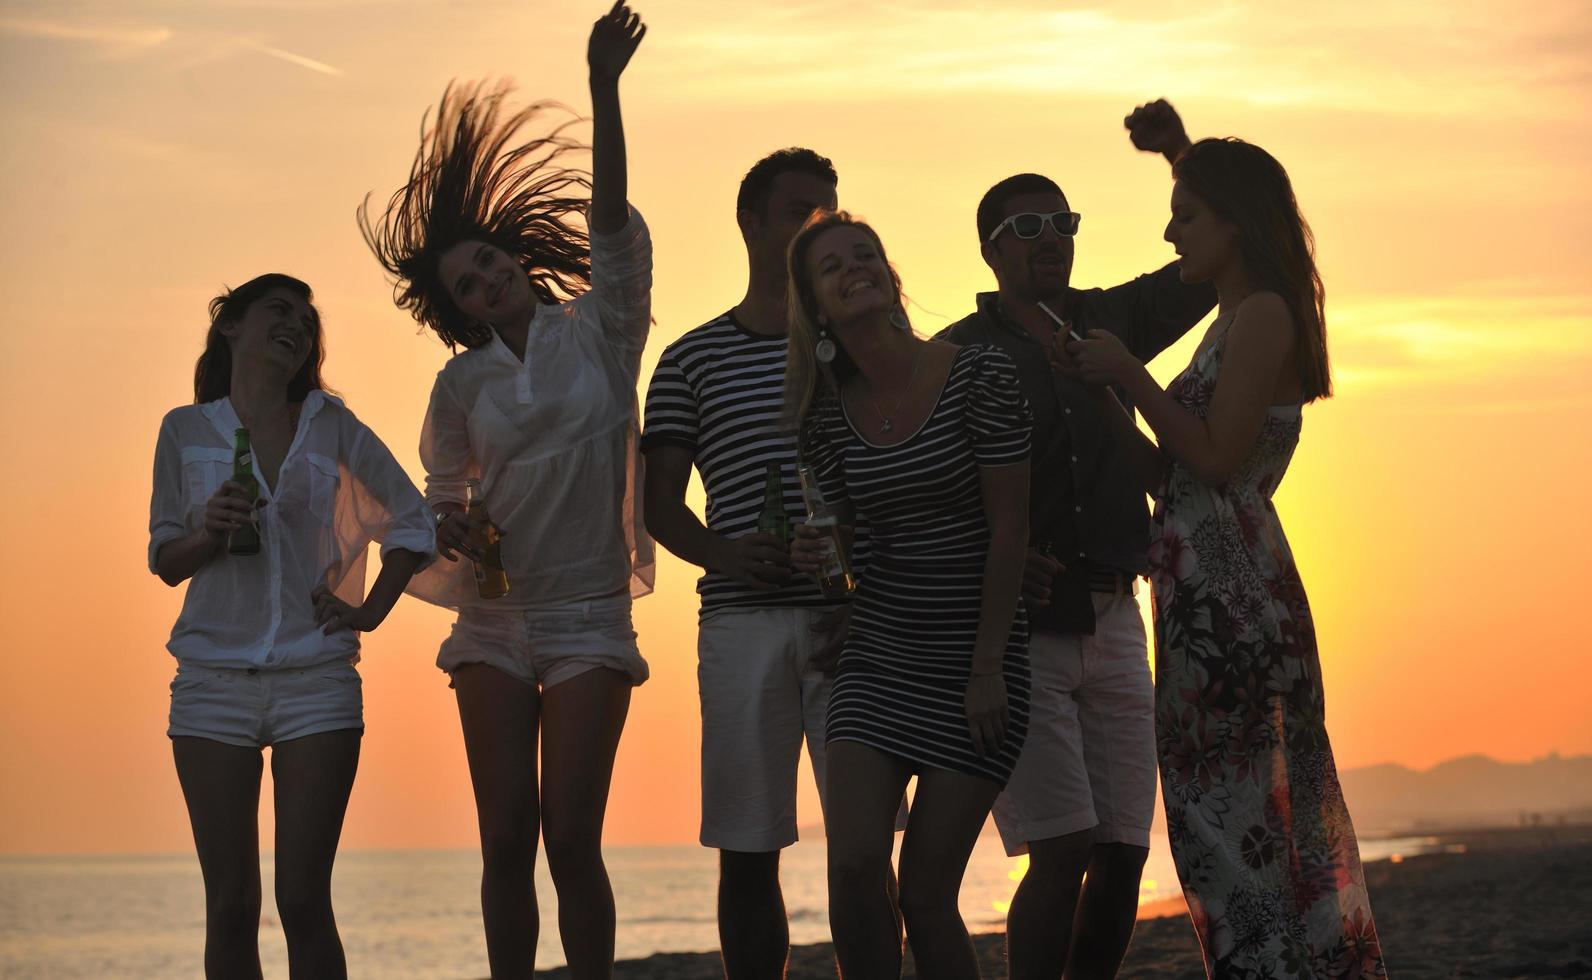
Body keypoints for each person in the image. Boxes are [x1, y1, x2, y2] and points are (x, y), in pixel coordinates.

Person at [357, 4, 651, 975]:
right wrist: (450, 517)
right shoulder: (461, 384)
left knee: (571, 838)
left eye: (488, 262)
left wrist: (604, 89)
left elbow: (608, 225)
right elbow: (443, 487)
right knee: (503, 839)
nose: (486, 281)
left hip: (588, 613)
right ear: (459, 314)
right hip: (491, 616)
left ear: (513, 258)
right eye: (469, 287)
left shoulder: (602, 327)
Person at [1068, 137, 1387, 977]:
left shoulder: (1267, 315)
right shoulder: (1228, 321)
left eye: (1185, 216)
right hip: (1195, 590)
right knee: (1214, 818)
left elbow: (1214, 459)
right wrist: (1103, 395)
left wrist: (1131, 376)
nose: (1171, 236)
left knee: (1243, 815)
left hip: (1235, 596)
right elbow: (1169, 477)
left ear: (1234, 224)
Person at [934, 98, 1216, 978]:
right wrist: (989, 563)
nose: (1049, 236)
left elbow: (1213, 263)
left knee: (1126, 849)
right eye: (1027, 225)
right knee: (1058, 848)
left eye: (1062, 222)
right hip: (1020, 634)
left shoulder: (1111, 318)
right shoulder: (954, 355)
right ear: (991, 248)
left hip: (1117, 613)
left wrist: (1179, 156)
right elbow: (923, 490)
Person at [148, 273, 435, 979]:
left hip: (318, 678)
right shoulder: (186, 429)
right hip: (213, 682)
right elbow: (164, 558)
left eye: (307, 322)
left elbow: (412, 518)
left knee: (304, 900)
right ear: (231, 326)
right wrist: (208, 533)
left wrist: (368, 611)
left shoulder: (331, 425)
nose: (298, 327)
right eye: (279, 312)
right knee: (231, 907)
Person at [786, 210, 1031, 978]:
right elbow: (843, 556)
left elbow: (1010, 529)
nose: (853, 267)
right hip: (879, 659)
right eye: (832, 267)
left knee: (926, 898)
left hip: (976, 667)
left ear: (891, 278)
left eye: (865, 254)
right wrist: (817, 560)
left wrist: (988, 665)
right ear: (819, 309)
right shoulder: (825, 420)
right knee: (855, 870)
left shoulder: (978, 374)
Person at [641, 147, 855, 978]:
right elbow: (660, 506)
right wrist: (724, 551)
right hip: (739, 622)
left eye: (830, 211)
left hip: (853, 620)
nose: (819, 225)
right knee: (746, 844)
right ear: (751, 223)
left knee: (864, 846)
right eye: (802, 210)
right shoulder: (690, 358)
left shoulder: (861, 345)